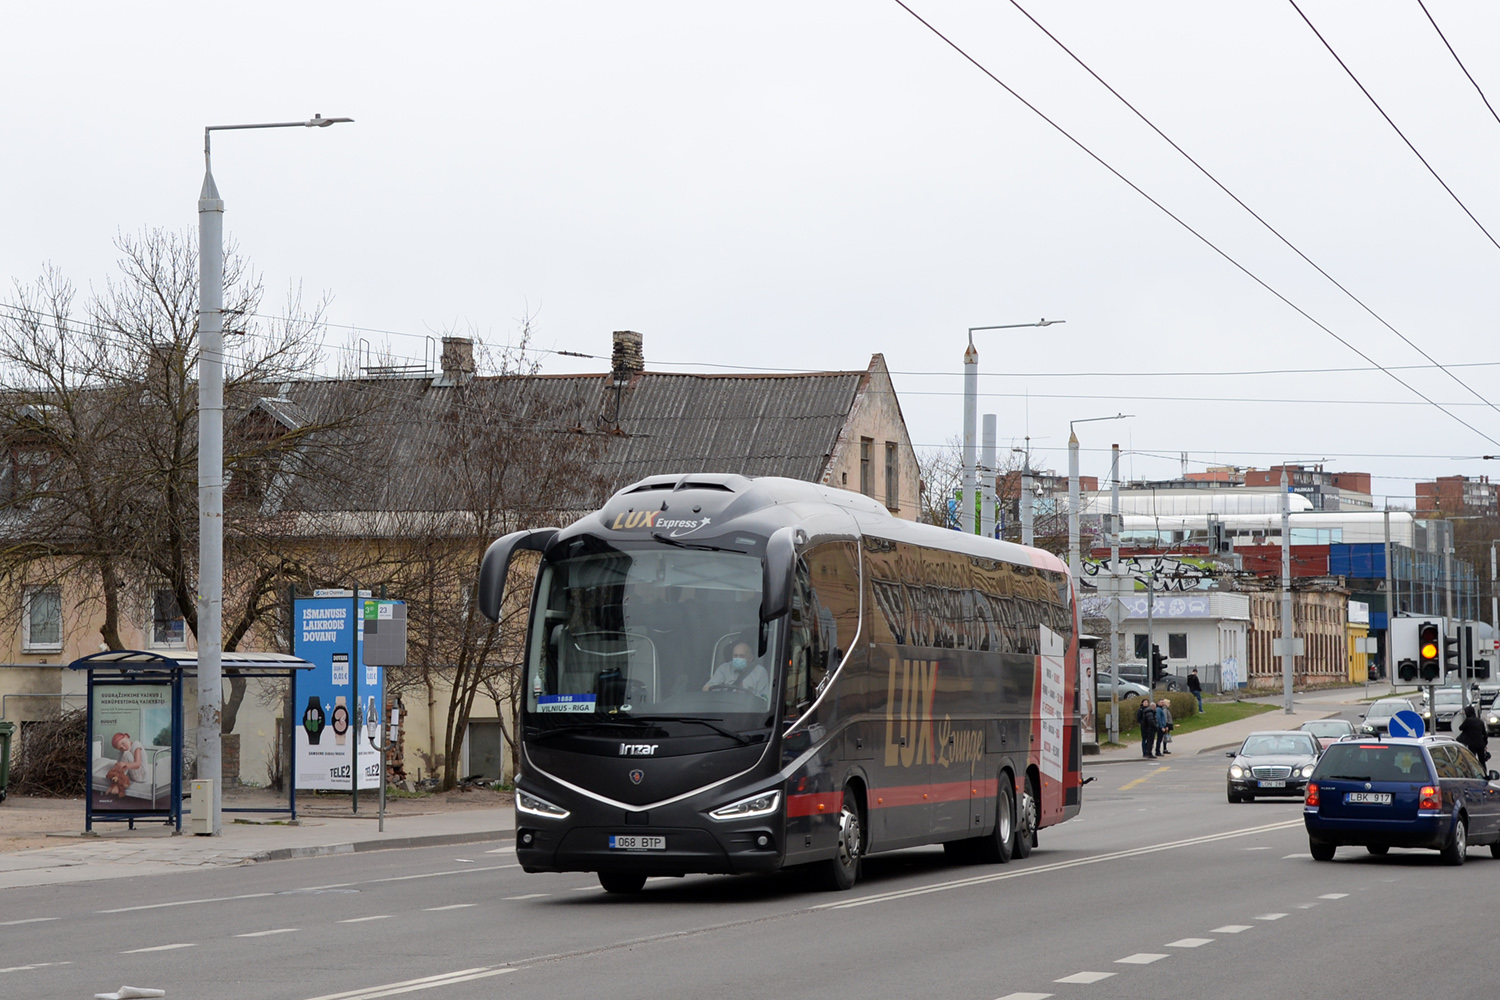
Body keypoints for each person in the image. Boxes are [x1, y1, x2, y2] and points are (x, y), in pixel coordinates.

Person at [704, 641, 769, 702]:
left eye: (742, 656)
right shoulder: (724, 668)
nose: (738, 658)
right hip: (725, 706)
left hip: (749, 709)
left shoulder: (760, 672)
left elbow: (763, 699)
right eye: (735, 656)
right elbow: (707, 688)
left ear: (751, 658)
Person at [105, 732, 146, 798]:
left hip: (141, 776)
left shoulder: (136, 744)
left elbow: (138, 765)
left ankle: (116, 784)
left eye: (123, 743)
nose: (123, 748)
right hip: (134, 773)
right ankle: (117, 781)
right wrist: (119, 765)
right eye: (120, 748)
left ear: (126, 737)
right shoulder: (123, 751)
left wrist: (123, 764)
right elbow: (120, 764)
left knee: (126, 754)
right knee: (121, 755)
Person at [1137, 694, 1158, 759]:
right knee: (1145, 740)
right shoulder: (1142, 710)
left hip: (1147, 727)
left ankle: (1147, 752)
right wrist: (1142, 723)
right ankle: (1145, 752)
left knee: (1148, 740)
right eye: (1144, 702)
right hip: (1145, 727)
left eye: (1147, 702)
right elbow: (1139, 718)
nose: (1146, 703)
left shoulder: (1148, 710)